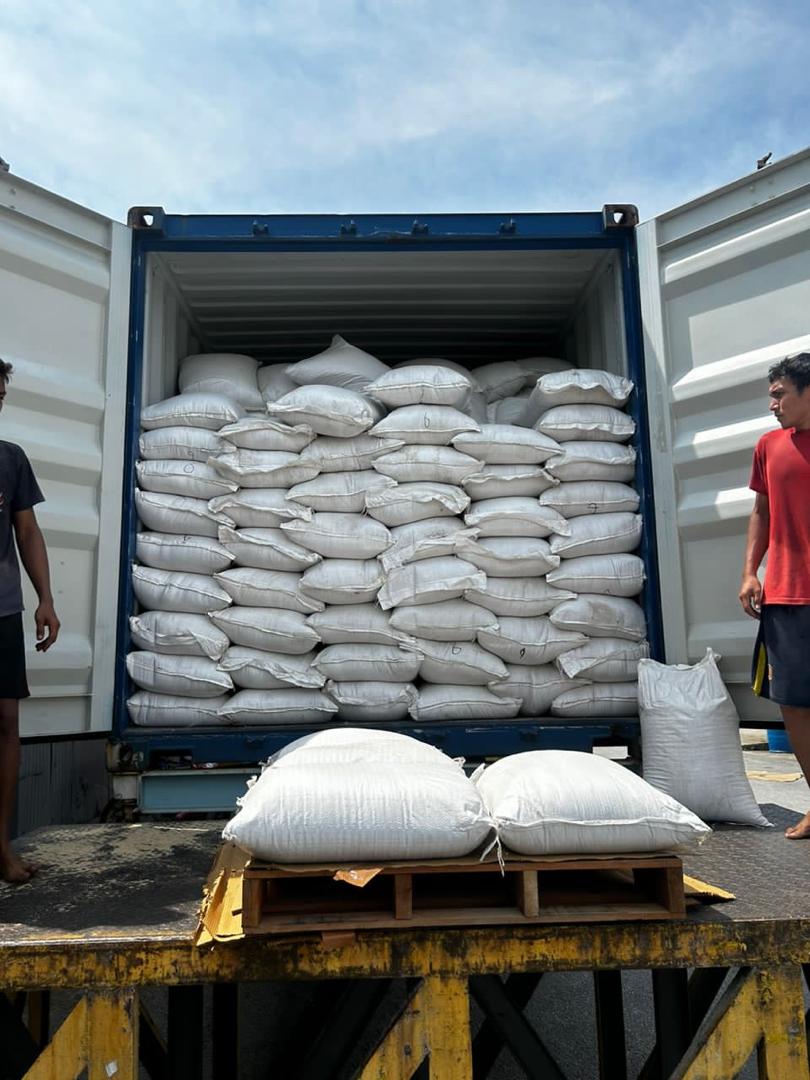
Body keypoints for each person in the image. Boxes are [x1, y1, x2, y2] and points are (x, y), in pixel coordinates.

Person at [740, 351, 810, 839]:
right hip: (786, 596)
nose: (773, 404)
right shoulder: (768, 446)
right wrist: (750, 572)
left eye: (780, 394)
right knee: (794, 706)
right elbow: (761, 512)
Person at [0, 359, 60, 882]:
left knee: (6, 724)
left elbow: (27, 532)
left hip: (1, 611)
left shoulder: (10, 459)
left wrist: (45, 598)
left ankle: (1, 849)